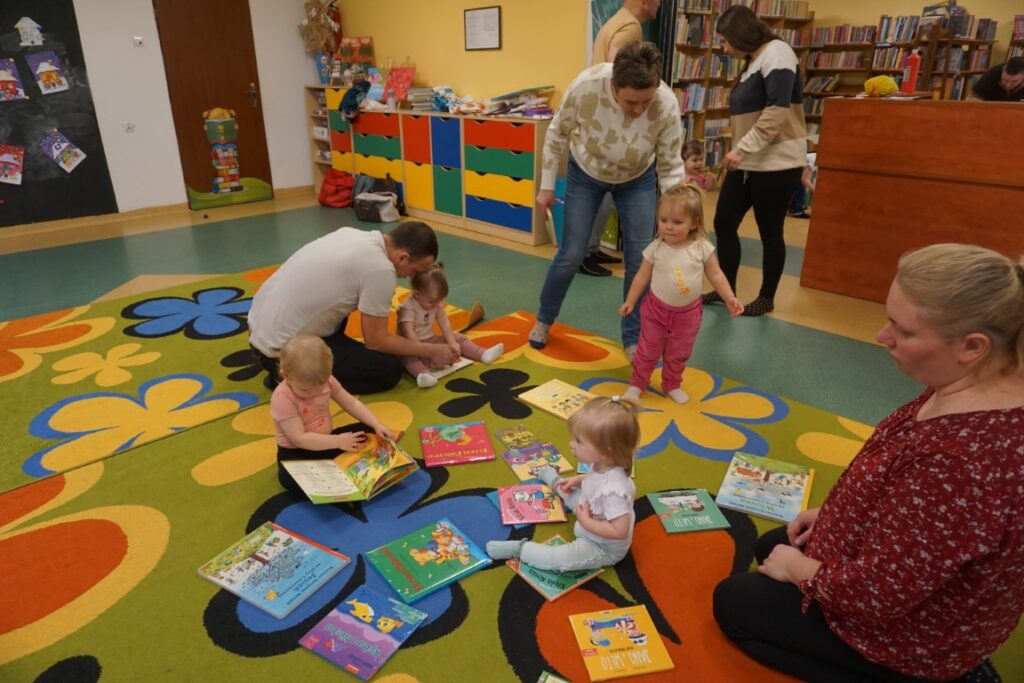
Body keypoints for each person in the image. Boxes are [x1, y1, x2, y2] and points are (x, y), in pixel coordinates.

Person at [713, 243, 1024, 683]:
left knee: (735, 603)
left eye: (902, 329)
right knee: (769, 546)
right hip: (893, 574)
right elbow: (906, 497)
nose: (881, 336)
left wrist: (802, 570)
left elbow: (879, 596)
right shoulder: (972, 383)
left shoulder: (963, 463)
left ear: (972, 346)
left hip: (909, 635)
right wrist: (837, 515)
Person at [530, 41, 685, 360]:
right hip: (586, 171)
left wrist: (677, 213)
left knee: (640, 259)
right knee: (571, 253)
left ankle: (633, 338)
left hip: (637, 179)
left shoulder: (667, 104)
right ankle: (544, 320)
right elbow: (557, 133)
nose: (639, 110)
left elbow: (670, 164)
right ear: (613, 86)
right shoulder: (587, 87)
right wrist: (546, 186)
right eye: (631, 102)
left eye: (646, 100)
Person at [248, 222, 457, 395]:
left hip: (257, 334)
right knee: (389, 370)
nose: (412, 277)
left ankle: (293, 372)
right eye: (414, 270)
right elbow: (376, 341)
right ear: (401, 257)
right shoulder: (380, 269)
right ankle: (297, 383)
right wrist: (431, 350)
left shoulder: (352, 234)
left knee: (345, 306)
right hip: (282, 354)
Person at [702, 5, 806, 317]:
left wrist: (742, 148)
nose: (725, 46)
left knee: (769, 232)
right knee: (723, 222)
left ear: (740, 34)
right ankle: (726, 290)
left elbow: (777, 110)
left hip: (776, 163)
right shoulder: (752, 62)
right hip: (747, 162)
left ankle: (766, 297)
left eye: (725, 39)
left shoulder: (778, 52)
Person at [486, 396, 640, 571]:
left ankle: (519, 549)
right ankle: (554, 480)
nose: (571, 444)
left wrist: (585, 520)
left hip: (601, 546)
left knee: (557, 558)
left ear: (605, 451)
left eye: (579, 441)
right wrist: (579, 479)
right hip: (591, 511)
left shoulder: (612, 492)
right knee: (571, 490)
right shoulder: (605, 465)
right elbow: (595, 481)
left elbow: (619, 531)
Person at [619, 185, 742, 405]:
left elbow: (716, 274)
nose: (668, 227)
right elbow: (640, 277)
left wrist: (729, 297)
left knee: (679, 353)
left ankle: (672, 384)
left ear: (694, 223)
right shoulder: (655, 248)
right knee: (647, 349)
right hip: (656, 310)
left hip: (688, 314)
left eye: (677, 222)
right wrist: (630, 300)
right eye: (664, 220)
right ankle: (637, 384)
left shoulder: (702, 247)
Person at [578, 0, 663, 278]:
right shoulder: (630, 27)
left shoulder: (617, 20)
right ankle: (585, 252)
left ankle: (589, 248)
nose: (660, 4)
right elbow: (618, 71)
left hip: (602, 123)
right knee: (606, 189)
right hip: (611, 124)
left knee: (606, 192)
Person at [270, 335, 397, 497]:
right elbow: (299, 439)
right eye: (305, 390)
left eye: (320, 386)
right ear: (285, 376)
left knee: (366, 429)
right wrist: (338, 442)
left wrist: (377, 424)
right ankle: (334, 485)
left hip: (327, 442)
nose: (314, 393)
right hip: (297, 453)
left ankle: (338, 473)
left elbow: (351, 403)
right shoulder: (282, 398)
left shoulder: (327, 380)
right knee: (286, 476)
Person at [397, 263, 504, 388]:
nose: (436, 305)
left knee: (458, 337)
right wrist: (423, 351)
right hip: (412, 344)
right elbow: (409, 332)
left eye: (440, 300)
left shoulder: (434, 303)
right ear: (417, 294)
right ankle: (423, 375)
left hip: (431, 340)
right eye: (432, 301)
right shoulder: (408, 307)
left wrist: (452, 342)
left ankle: (483, 354)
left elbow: (444, 322)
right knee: (409, 358)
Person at [787, 151, 816, 219]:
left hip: (791, 166)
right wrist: (815, 190)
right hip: (789, 166)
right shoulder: (815, 160)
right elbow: (804, 179)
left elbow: (804, 177)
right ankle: (797, 211)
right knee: (800, 189)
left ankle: (794, 208)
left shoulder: (816, 157)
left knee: (798, 187)